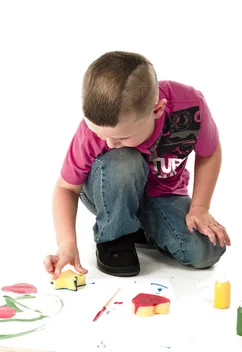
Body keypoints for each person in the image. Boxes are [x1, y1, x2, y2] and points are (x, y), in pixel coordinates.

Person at [44, 51, 231, 279]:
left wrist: (200, 208)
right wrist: (66, 244)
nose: (110, 143)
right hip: (109, 189)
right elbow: (66, 188)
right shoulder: (99, 132)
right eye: (99, 134)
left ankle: (142, 228)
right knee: (124, 159)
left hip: (163, 196)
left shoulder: (189, 107)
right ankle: (115, 237)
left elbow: (210, 153)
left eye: (122, 137)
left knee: (205, 251)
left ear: (157, 110)